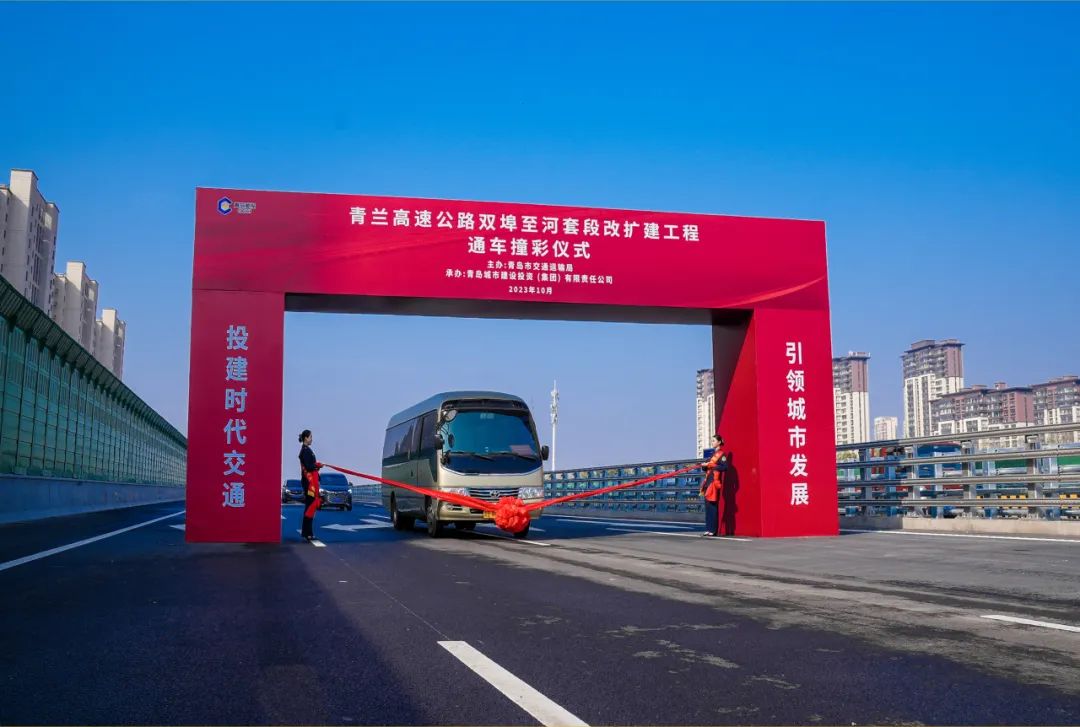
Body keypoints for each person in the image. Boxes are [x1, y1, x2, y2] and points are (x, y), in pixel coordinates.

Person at [699, 433, 729, 536]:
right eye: (712, 441)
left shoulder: (721, 455)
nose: (712, 442)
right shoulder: (712, 455)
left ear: (719, 442)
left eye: (714, 441)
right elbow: (706, 468)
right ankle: (708, 528)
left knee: (712, 506)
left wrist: (712, 465)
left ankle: (712, 529)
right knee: (707, 507)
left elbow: (725, 467)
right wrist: (704, 466)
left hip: (714, 483)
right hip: (708, 482)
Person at [298, 429, 324, 541]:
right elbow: (308, 467)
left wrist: (316, 465)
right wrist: (317, 465)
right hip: (309, 484)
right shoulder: (305, 451)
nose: (312, 439)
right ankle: (308, 533)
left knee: (310, 507)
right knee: (310, 507)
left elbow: (310, 465)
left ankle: (307, 532)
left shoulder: (307, 450)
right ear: (306, 438)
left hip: (310, 482)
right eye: (310, 437)